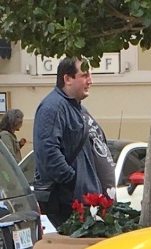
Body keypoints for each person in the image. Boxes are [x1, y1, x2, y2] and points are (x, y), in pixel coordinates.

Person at [32, 57, 112, 229]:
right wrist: (75, 182)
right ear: (67, 79)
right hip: (69, 205)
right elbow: (48, 153)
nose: (90, 80)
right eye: (84, 75)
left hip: (83, 201)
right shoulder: (53, 108)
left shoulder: (76, 107)